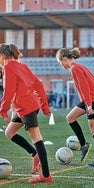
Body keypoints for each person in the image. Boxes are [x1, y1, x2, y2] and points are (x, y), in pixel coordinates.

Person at [0, 43, 52, 183]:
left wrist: (3, 109)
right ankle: (34, 154)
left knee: (37, 138)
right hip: (25, 106)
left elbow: (9, 91)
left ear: (3, 55)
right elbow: (38, 84)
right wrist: (44, 107)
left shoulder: (8, 67)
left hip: (26, 107)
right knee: (9, 132)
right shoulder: (21, 66)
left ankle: (46, 176)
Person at [56, 47, 94, 167]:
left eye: (60, 63)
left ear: (64, 59)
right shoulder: (79, 66)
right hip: (92, 99)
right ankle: (84, 144)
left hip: (91, 100)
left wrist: (89, 105)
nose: (61, 65)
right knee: (70, 118)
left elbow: (85, 87)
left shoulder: (75, 69)